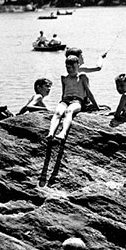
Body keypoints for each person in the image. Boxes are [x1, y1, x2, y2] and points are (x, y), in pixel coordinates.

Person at [39, 55, 99, 187]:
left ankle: (63, 133)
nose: (70, 69)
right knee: (58, 112)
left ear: (78, 65)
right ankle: (51, 132)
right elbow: (63, 93)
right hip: (65, 100)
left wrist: (96, 105)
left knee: (69, 112)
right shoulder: (64, 77)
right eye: (68, 67)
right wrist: (62, 102)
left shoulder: (82, 76)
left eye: (72, 67)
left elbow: (88, 92)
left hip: (78, 101)